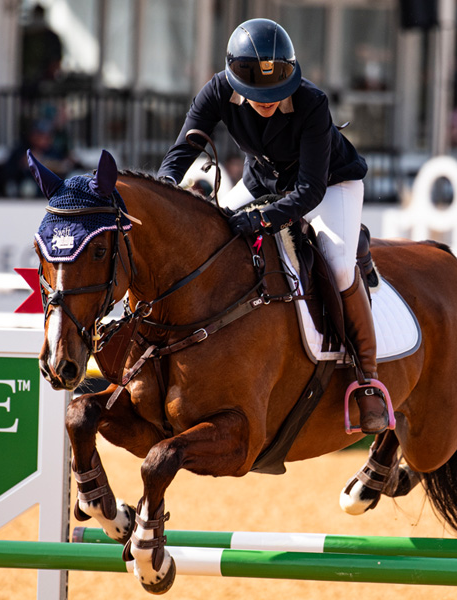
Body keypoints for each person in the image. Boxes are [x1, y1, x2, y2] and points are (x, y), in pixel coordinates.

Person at [157, 18, 388, 434]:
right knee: (214, 242)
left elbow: (309, 189)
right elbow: (185, 147)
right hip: (261, 182)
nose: (266, 102)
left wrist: (259, 220)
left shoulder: (312, 103)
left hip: (330, 185)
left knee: (336, 263)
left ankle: (367, 377)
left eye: (275, 93)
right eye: (256, 95)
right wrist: (163, 190)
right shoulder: (217, 90)